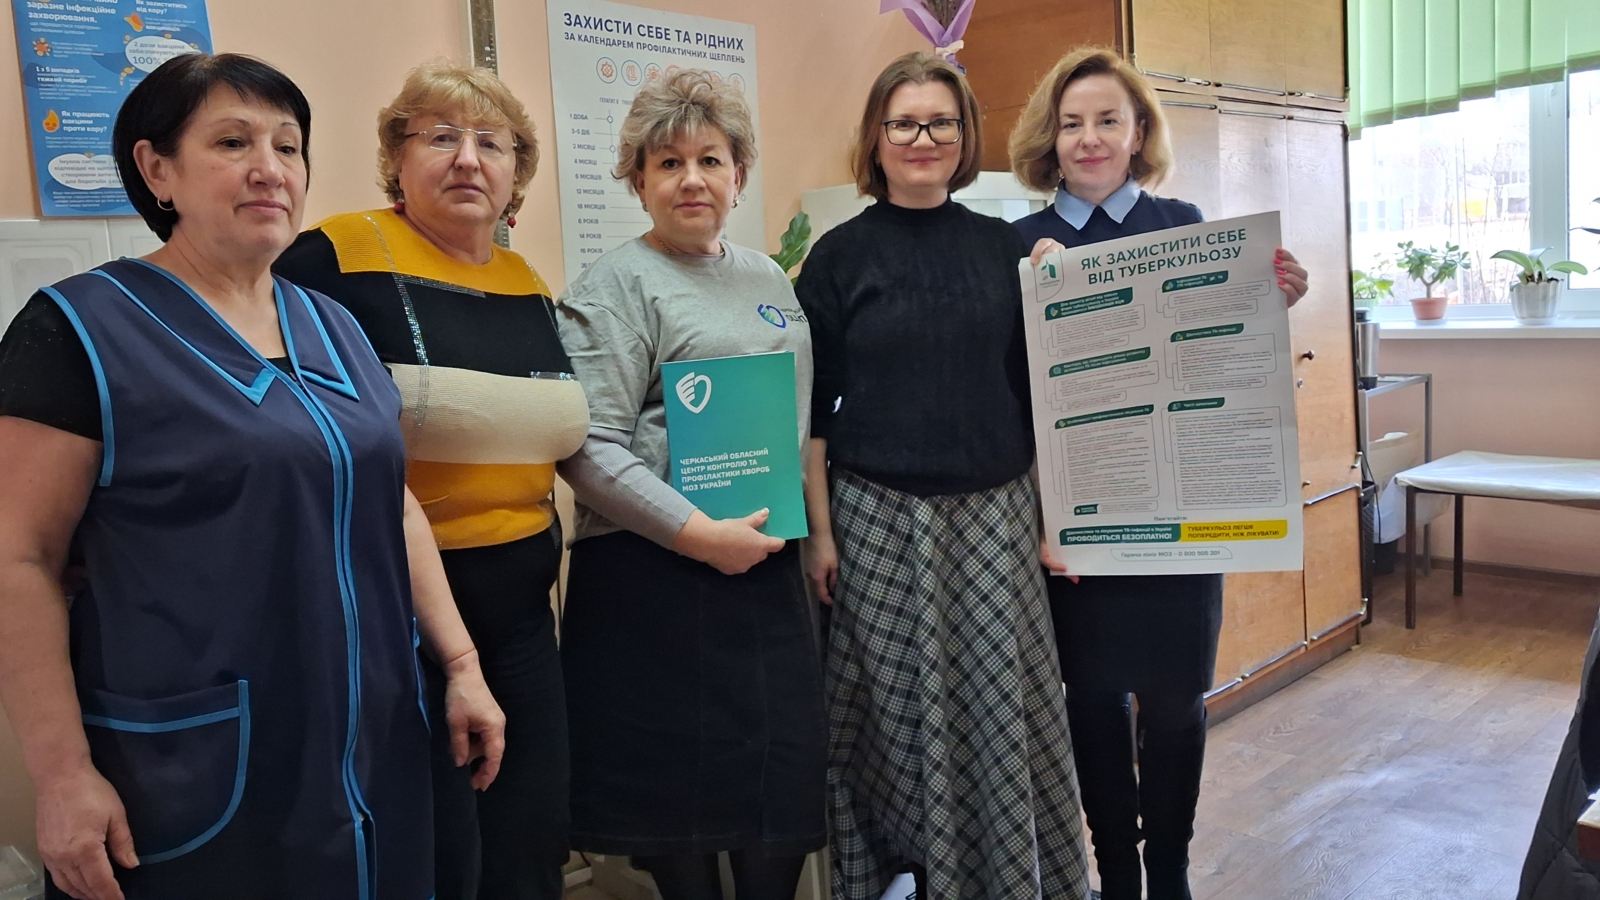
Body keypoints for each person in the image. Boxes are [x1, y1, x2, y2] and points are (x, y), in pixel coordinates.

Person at [0, 53, 504, 900]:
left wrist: (460, 663)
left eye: (288, 146)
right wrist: (60, 776)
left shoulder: (336, 326)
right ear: (157, 169)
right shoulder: (79, 331)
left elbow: (392, 505)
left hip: (374, 742)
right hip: (195, 761)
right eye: (232, 143)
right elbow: (19, 560)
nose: (270, 169)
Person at [273, 61, 587, 900]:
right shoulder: (336, 254)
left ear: (517, 171)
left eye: (492, 143)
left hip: (524, 613)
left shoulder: (525, 281)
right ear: (396, 158)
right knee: (437, 854)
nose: (468, 159)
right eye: (441, 137)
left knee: (530, 843)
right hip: (396, 616)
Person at [1007, 47, 1310, 900]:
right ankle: (1118, 874)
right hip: (1078, 525)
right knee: (1092, 702)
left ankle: (1169, 870)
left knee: (1177, 704)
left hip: (1179, 522)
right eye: (1071, 123)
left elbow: (1212, 364)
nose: (1089, 138)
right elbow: (1011, 390)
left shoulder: (1184, 225)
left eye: (1108, 120)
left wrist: (1271, 300)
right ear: (1050, 138)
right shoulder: (1019, 245)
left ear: (1138, 132)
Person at [797, 51, 1091, 900]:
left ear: (964, 136)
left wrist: (1054, 518)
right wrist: (820, 536)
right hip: (875, 520)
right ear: (876, 138)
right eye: (904, 123)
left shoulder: (1005, 249)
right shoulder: (837, 258)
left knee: (1001, 716)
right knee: (887, 724)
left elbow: (1041, 394)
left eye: (941, 123)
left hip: (996, 517)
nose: (922, 139)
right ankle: (909, 880)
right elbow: (813, 414)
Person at [553, 69, 826, 900]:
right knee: (678, 811)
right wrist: (699, 535)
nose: (692, 179)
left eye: (710, 159)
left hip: (765, 569)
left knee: (777, 794)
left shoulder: (768, 279)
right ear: (638, 182)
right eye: (668, 163)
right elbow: (587, 448)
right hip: (655, 579)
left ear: (739, 174)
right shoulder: (613, 287)